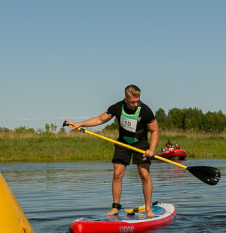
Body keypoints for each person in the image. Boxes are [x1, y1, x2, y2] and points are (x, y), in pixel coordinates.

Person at [65, 84, 159, 217]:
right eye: (133, 102)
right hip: (122, 143)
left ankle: (148, 209)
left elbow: (155, 131)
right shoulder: (117, 107)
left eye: (138, 101)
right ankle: (115, 207)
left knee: (144, 174)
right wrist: (80, 124)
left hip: (140, 145)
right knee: (117, 173)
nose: (136, 104)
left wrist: (151, 149)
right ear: (125, 99)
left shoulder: (145, 111)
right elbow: (99, 119)